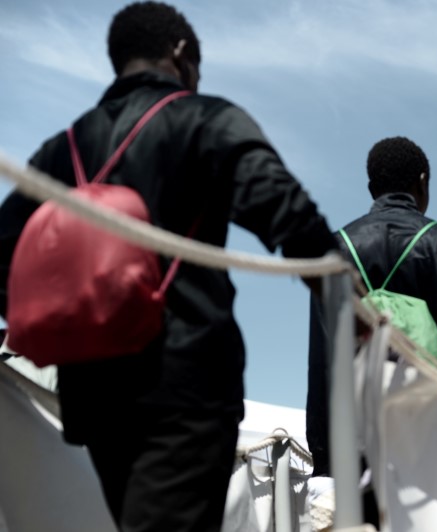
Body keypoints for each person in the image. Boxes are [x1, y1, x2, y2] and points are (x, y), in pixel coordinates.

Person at [0, 3, 338, 530]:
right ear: (181, 54)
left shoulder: (57, 151)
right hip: (185, 377)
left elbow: (5, 260)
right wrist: (343, 289)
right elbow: (284, 210)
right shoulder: (202, 116)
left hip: (93, 392)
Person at [306, 136, 437, 477]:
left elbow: (324, 359)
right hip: (434, 432)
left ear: (372, 187)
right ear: (423, 181)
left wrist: (325, 460)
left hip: (359, 433)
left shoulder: (335, 250)